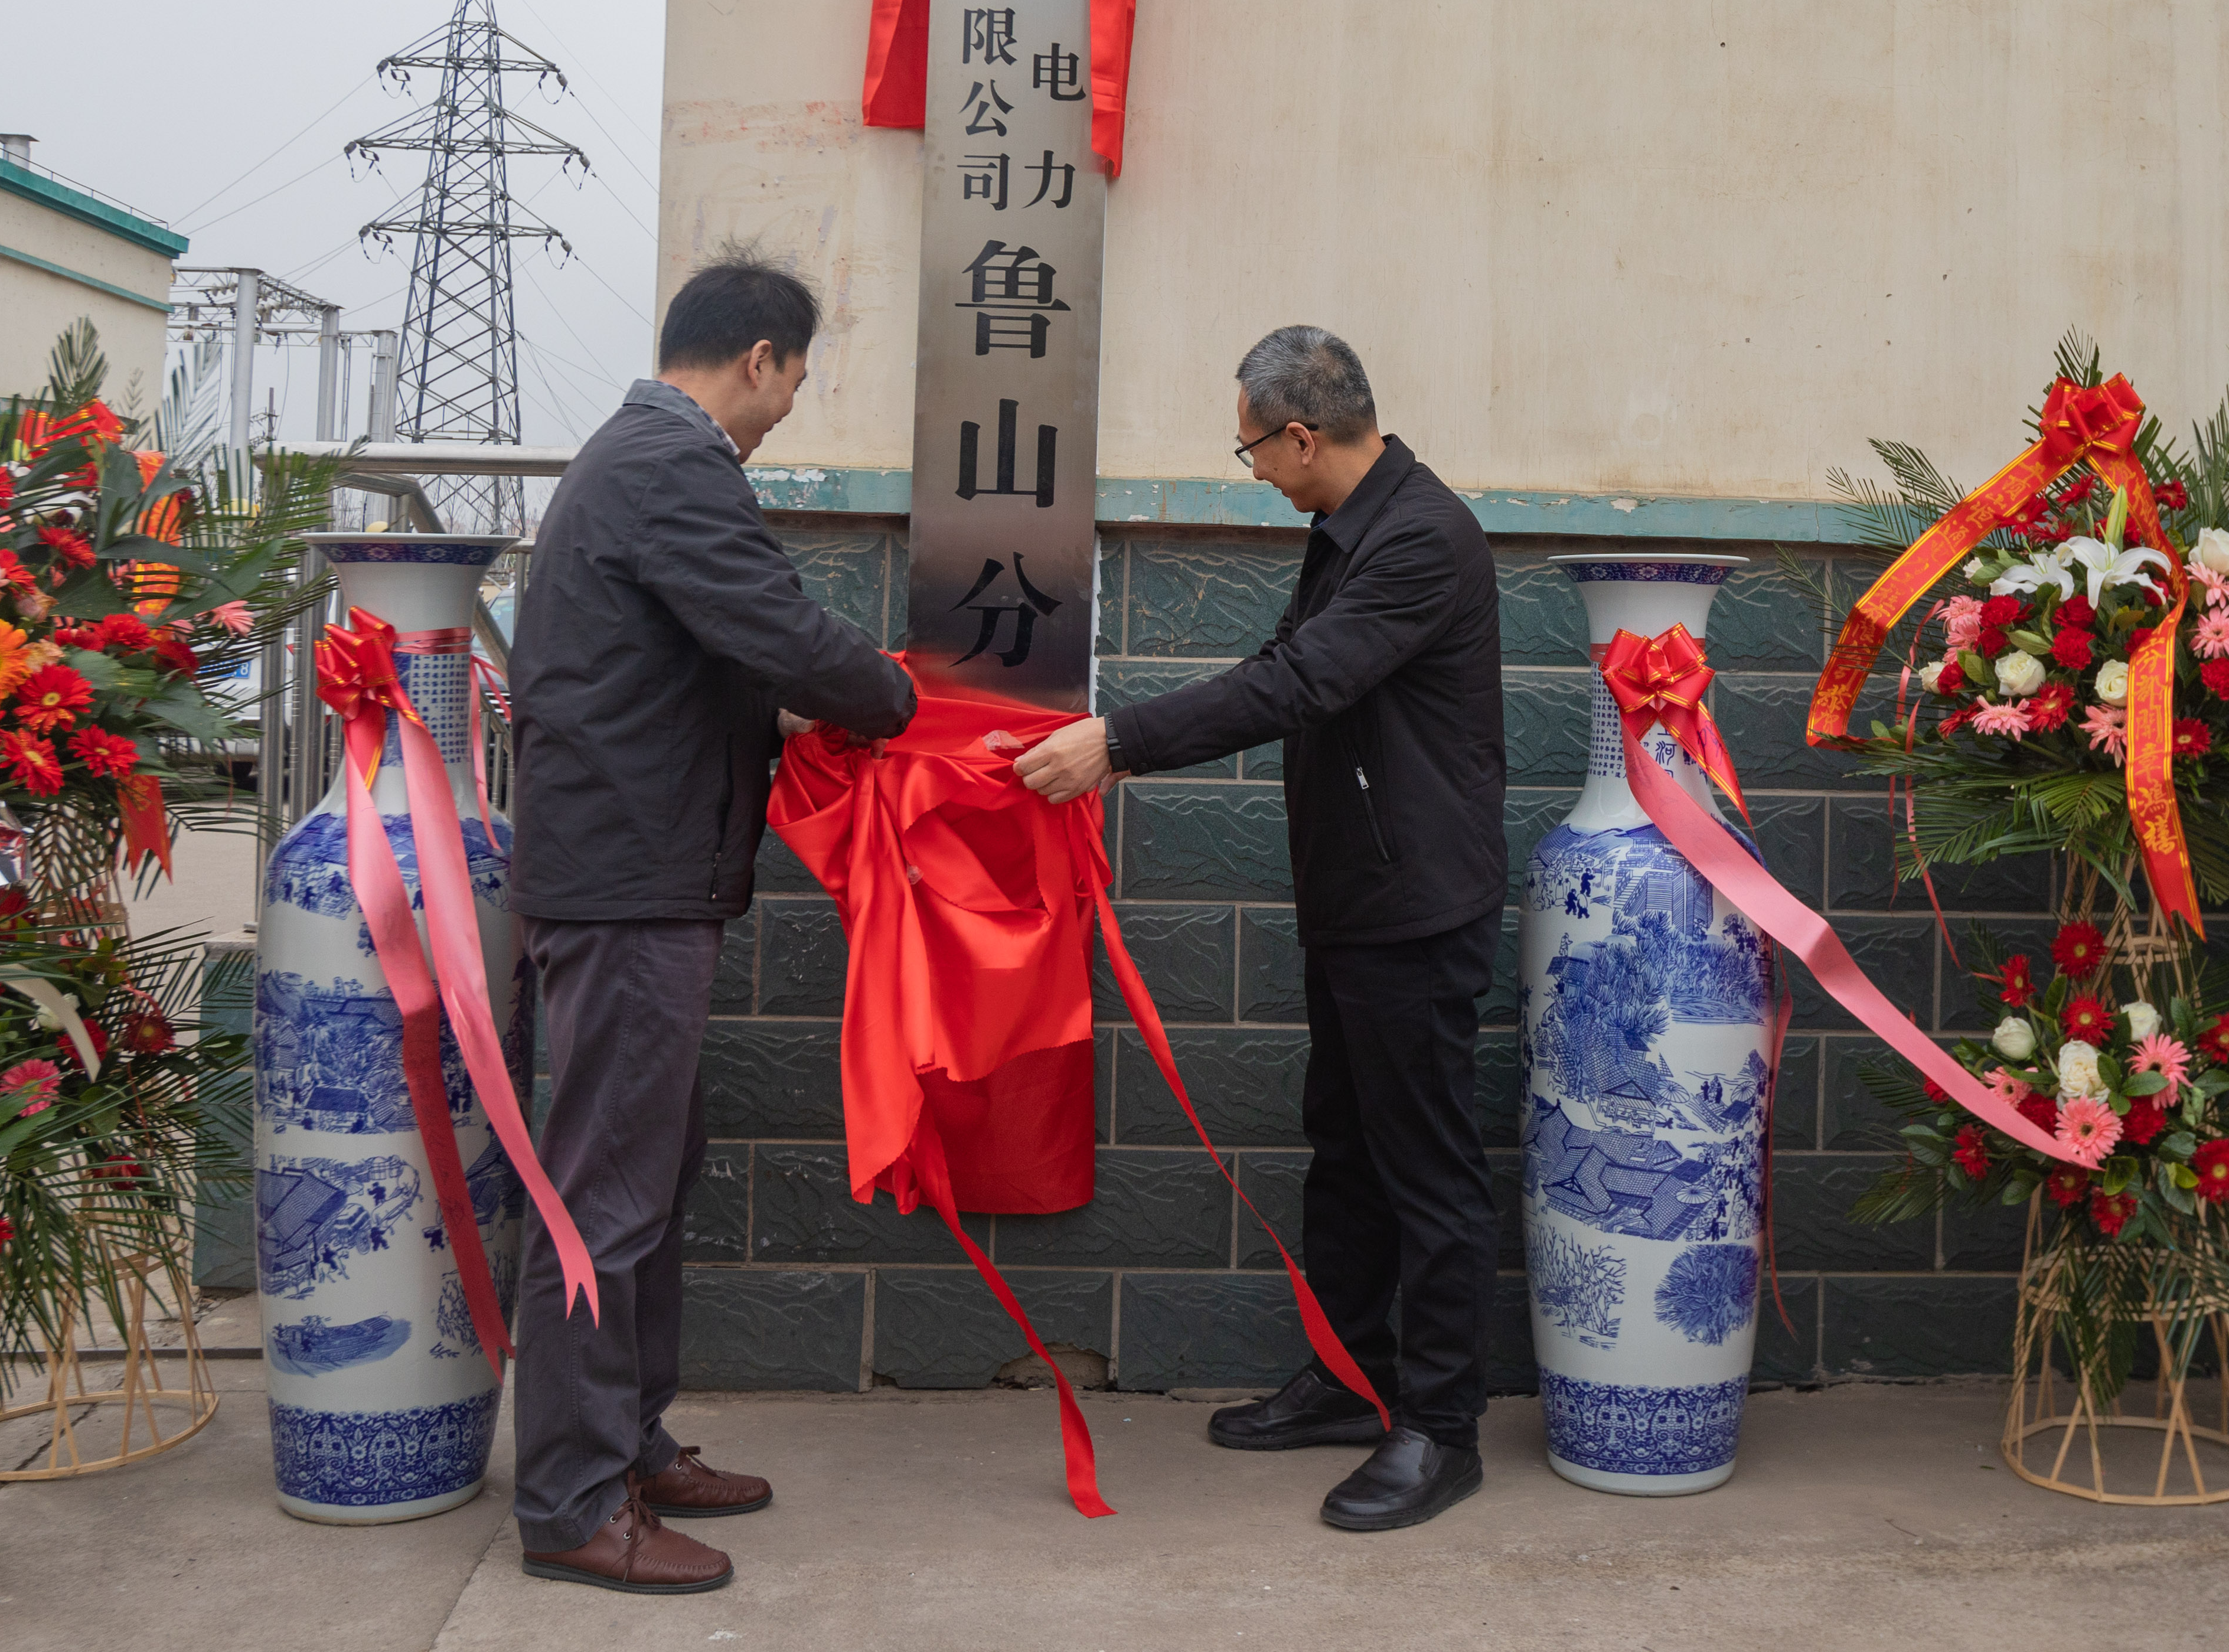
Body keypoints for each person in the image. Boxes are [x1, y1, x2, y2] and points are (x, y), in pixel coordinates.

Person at [1006, 325, 1505, 1532]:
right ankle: (1352, 1377)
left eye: (1252, 454)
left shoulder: (1420, 537)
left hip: (1415, 908)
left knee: (1425, 1166)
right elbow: (1290, 667)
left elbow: (1298, 684)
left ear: (1300, 433)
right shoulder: (1352, 530)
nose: (1260, 476)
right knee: (1345, 1145)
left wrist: (1118, 742)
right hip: (1357, 900)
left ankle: (1441, 1427)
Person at [506, 251, 917, 1594]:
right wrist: (890, 698)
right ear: (759, 358)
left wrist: (789, 715)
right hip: (628, 887)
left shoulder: (633, 462)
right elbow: (778, 629)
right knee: (604, 1198)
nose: (789, 404)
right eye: (795, 378)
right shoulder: (671, 467)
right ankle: (573, 1499)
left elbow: (693, 663)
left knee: (648, 1178)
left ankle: (628, 1441)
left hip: (635, 873)